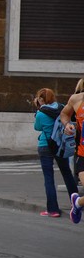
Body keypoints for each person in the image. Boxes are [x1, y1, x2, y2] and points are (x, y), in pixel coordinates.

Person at [34, 88, 78, 217]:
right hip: (60, 145)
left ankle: (53, 210)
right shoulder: (62, 108)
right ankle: (76, 203)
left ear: (41, 99)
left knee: (49, 178)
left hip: (45, 145)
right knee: (67, 173)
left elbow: (37, 127)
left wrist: (37, 110)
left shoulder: (41, 113)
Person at [60, 85, 84, 223]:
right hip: (82, 155)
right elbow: (64, 114)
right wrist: (67, 124)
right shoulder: (77, 99)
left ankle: (78, 202)